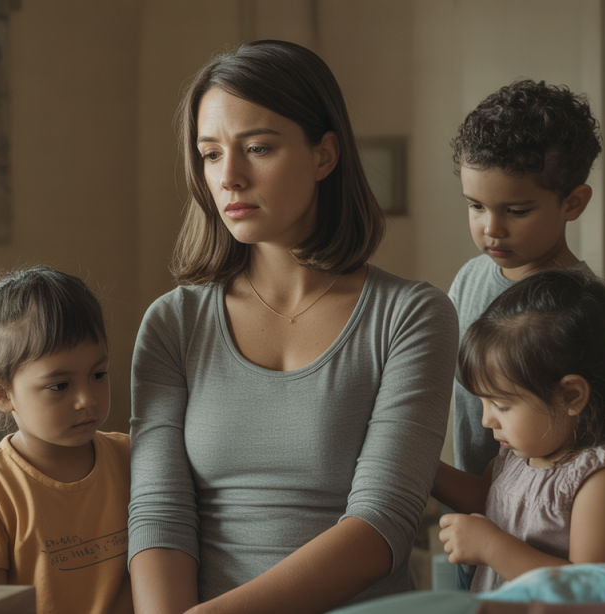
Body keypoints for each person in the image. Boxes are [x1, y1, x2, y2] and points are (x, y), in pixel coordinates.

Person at [129, 40, 458, 614]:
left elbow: (382, 528)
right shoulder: (172, 324)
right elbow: (159, 515)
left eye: (257, 148)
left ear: (324, 155)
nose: (228, 177)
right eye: (210, 154)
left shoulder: (411, 316)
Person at [433, 268, 605, 592]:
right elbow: (488, 501)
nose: (486, 420)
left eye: (502, 406)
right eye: (483, 402)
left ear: (570, 396)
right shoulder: (519, 456)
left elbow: (593, 587)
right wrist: (423, 470)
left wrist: (492, 548)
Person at [0, 265, 132, 614]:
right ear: (1, 393)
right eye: (60, 385)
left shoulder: (133, 457)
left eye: (98, 374)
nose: (87, 398)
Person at [438, 79, 604, 480]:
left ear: (573, 203)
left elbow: (591, 431)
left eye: (516, 210)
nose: (491, 229)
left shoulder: (578, 300)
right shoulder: (470, 277)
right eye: (476, 206)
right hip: (479, 496)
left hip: (547, 509)